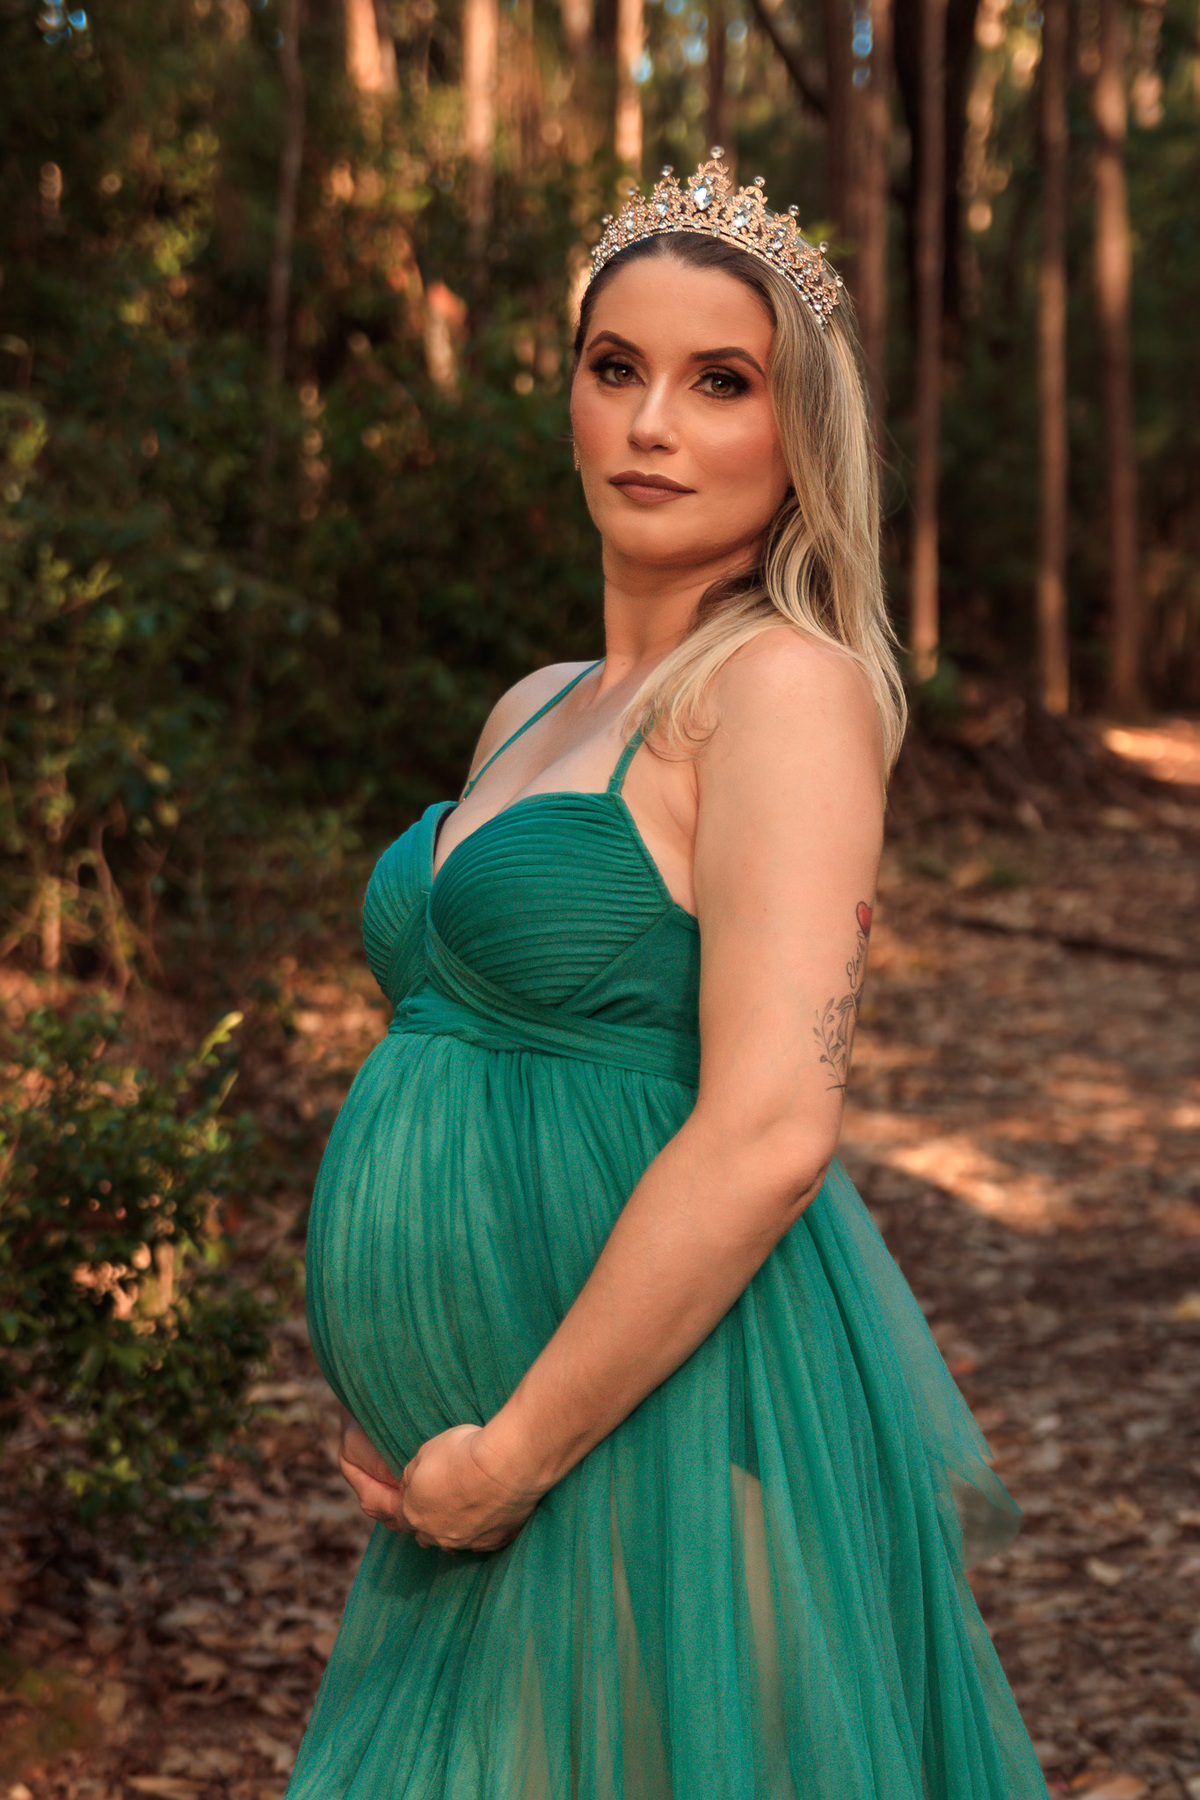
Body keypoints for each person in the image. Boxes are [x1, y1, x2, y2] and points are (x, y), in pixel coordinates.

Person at [286, 153, 1049, 1799]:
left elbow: (775, 1127)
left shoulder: (779, 691)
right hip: (479, 1455)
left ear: (796, 440)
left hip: (649, 1430)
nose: (651, 424)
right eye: (614, 367)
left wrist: (513, 1446)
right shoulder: (534, 703)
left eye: (721, 383)